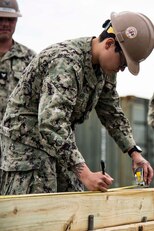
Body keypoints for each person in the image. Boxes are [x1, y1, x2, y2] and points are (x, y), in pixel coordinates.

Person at [0, 11, 154, 195]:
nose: (122, 69)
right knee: (39, 208)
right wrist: (86, 174)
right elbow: (52, 123)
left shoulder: (105, 70)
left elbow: (111, 112)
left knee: (72, 201)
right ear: (109, 43)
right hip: (26, 146)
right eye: (123, 63)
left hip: (58, 144)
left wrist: (134, 153)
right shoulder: (66, 62)